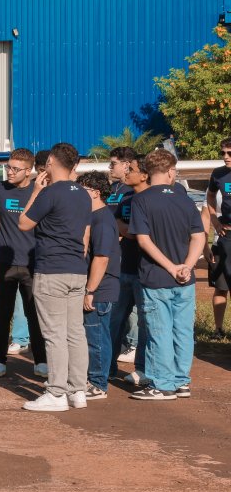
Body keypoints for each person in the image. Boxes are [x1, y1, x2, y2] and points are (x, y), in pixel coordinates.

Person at [19, 143, 91, 412]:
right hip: (76, 268)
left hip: (52, 269)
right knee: (75, 332)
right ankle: (78, 390)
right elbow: (85, 232)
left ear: (50, 161)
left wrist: (36, 191)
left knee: (54, 335)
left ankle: (56, 392)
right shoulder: (83, 194)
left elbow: (24, 223)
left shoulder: (49, 192)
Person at [128, 149, 204, 400]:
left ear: (149, 172)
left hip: (156, 277)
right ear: (171, 171)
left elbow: (143, 240)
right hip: (185, 279)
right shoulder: (185, 200)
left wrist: (171, 267)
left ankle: (162, 384)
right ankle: (181, 381)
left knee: (159, 331)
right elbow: (199, 236)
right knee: (182, 331)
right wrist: (186, 266)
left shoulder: (141, 200)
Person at [0, 148, 48, 378]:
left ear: (28, 171)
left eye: (15, 169)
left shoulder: (40, 190)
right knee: (3, 314)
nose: (9, 172)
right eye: (8, 167)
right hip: (4, 262)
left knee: (34, 315)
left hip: (32, 263)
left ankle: (41, 361)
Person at [77, 172, 121, 400]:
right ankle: (93, 378)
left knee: (97, 338)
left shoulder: (102, 220)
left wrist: (90, 290)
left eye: (82, 190)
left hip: (100, 289)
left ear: (95, 193)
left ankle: (98, 383)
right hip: (97, 288)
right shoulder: (94, 217)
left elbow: (102, 258)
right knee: (93, 336)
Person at [111, 155, 151, 385]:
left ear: (144, 175)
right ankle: (107, 366)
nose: (126, 173)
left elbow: (147, 233)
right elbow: (116, 222)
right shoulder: (126, 198)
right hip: (124, 268)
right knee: (115, 319)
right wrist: (133, 231)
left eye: (131, 169)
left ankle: (142, 369)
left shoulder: (152, 200)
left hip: (146, 271)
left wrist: (131, 231)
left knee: (145, 323)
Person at [106, 146, 139, 361]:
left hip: (129, 253)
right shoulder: (114, 188)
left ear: (127, 165)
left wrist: (120, 231)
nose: (110, 167)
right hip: (113, 252)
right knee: (118, 302)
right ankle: (123, 343)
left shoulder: (133, 190)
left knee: (131, 302)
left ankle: (133, 343)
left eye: (113, 163)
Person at [205, 138, 231, 341]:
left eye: (229, 153)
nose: (225, 157)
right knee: (221, 286)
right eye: (223, 153)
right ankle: (219, 329)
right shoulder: (218, 174)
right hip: (225, 237)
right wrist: (214, 219)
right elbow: (211, 196)